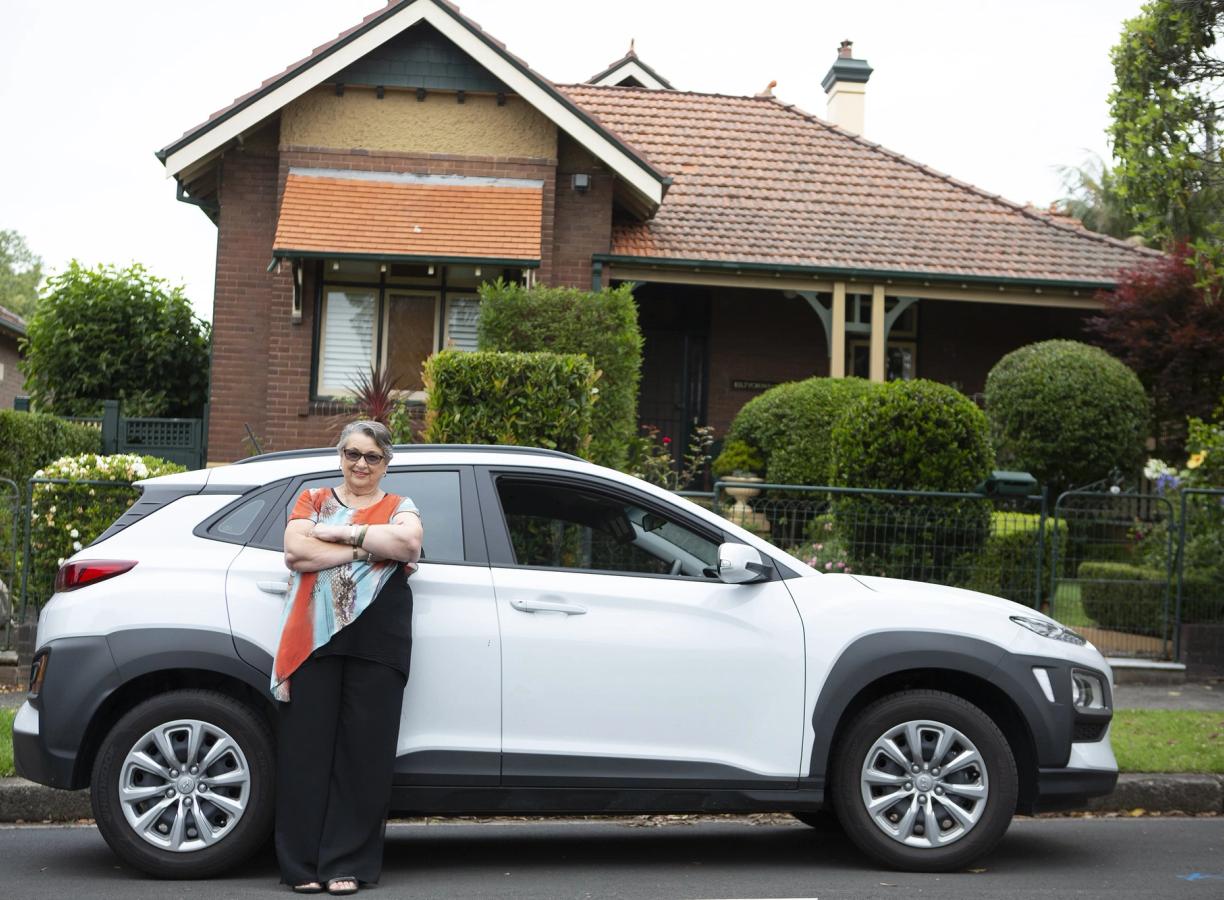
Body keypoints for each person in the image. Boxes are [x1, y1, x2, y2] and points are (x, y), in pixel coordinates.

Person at [271, 421, 423, 895]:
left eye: (372, 456)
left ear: (386, 463)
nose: (360, 464)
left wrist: (337, 536)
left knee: (365, 756)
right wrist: (368, 546)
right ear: (339, 455)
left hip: (378, 640)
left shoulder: (401, 506)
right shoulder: (311, 498)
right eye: (352, 453)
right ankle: (301, 866)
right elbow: (296, 549)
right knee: (305, 752)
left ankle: (346, 864)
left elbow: (408, 544)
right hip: (314, 640)